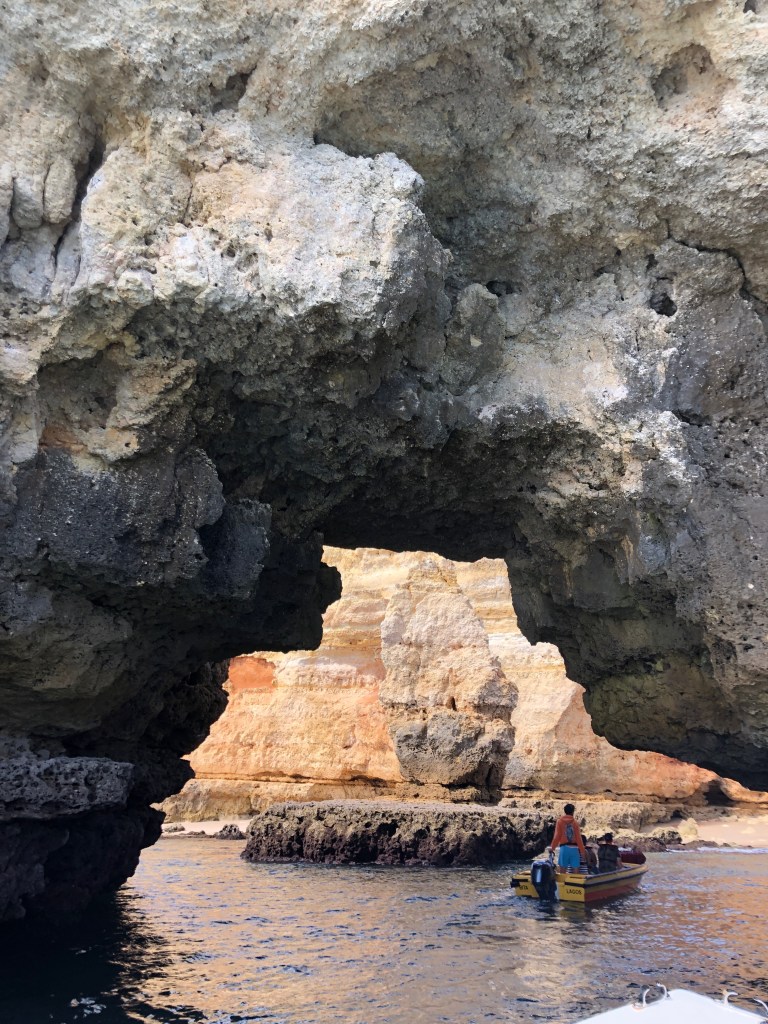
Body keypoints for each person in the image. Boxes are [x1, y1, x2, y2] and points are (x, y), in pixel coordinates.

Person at [551, 803, 587, 871]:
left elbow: (557, 836)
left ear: (565, 811)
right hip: (574, 849)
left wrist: (552, 848)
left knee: (562, 871)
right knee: (576, 871)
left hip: (564, 848)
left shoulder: (559, 822)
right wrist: (582, 852)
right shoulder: (575, 823)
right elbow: (579, 839)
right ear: (573, 812)